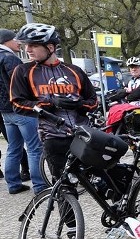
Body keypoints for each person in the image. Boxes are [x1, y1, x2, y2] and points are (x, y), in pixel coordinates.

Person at [10, 23, 97, 188]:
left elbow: (93, 101)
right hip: (53, 138)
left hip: (83, 136)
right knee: (65, 188)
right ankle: (69, 214)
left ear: (50, 47)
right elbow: (17, 103)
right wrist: (48, 104)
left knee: (103, 180)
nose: (27, 49)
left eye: (33, 45)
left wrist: (80, 105)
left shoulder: (75, 71)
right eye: (26, 45)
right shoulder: (23, 71)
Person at [1, 28, 44, 193]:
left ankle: (13, 184)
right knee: (34, 148)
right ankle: (40, 186)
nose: (19, 43)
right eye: (15, 39)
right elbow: (21, 83)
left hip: (5, 112)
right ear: (6, 41)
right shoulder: (9, 58)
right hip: (21, 109)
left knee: (13, 147)